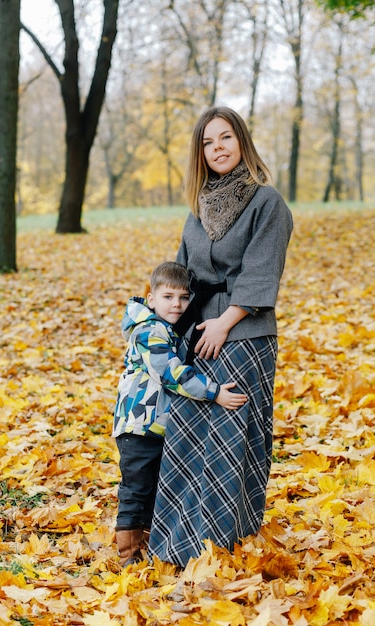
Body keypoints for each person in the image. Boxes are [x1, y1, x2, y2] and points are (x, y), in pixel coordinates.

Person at [148, 106, 293, 567]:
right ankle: (177, 544)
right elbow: (180, 274)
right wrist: (159, 327)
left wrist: (224, 323)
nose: (218, 148)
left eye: (225, 138)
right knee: (188, 435)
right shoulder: (198, 210)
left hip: (244, 333)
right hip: (197, 334)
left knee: (232, 438)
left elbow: (261, 273)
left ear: (242, 142)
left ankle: (226, 544)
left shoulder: (266, 203)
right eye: (208, 143)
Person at [112, 260, 248, 566]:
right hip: (139, 424)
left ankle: (148, 547)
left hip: (157, 425)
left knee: (153, 489)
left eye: (184, 298)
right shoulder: (149, 331)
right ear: (151, 299)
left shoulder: (166, 328)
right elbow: (170, 375)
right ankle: (128, 557)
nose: (177, 304)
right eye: (168, 297)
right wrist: (214, 392)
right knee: (136, 489)